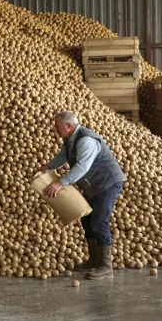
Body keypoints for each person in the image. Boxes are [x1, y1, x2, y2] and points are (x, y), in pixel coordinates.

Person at [39, 111, 124, 280]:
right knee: (87, 218)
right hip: (93, 185)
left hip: (107, 183)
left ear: (68, 126)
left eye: (57, 126)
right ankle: (94, 260)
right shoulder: (69, 140)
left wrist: (61, 183)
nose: (55, 129)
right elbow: (63, 157)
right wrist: (48, 166)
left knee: (99, 221)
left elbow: (82, 167)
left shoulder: (86, 140)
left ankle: (106, 267)